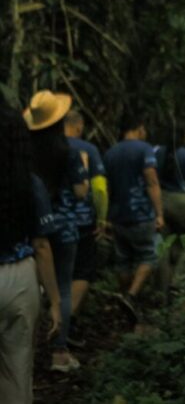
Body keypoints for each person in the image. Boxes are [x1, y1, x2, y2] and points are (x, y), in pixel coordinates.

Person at [0, 93, 62, 401]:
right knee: (17, 372)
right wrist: (54, 301)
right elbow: (41, 244)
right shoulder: (28, 180)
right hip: (20, 280)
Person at [24, 90, 89, 372]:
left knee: (36, 287)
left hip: (33, 227)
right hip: (64, 228)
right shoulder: (71, 150)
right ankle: (59, 352)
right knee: (61, 287)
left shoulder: (24, 151)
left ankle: (27, 350)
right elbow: (80, 191)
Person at [103, 115, 164, 322]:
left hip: (118, 215)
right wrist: (159, 213)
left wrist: (106, 216)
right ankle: (131, 295)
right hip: (141, 214)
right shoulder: (144, 149)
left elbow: (107, 186)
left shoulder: (110, 153)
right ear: (138, 128)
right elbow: (152, 181)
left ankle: (125, 299)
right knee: (149, 256)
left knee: (124, 260)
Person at [64, 110, 108, 344]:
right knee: (82, 271)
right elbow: (99, 188)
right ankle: (66, 321)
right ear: (79, 126)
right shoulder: (87, 149)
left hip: (51, 223)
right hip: (82, 222)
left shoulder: (44, 147)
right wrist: (101, 218)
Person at [154, 133, 185, 297]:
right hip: (180, 200)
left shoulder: (157, 152)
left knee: (164, 245)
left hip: (160, 199)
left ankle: (162, 288)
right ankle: (178, 284)